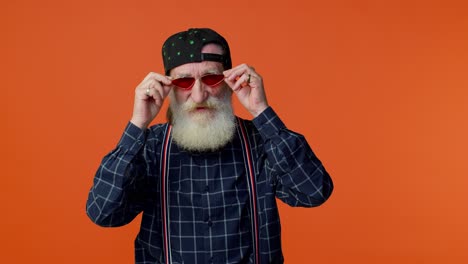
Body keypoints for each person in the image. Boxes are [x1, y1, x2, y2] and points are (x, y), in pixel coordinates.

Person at [86, 28, 333, 264]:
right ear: (168, 86)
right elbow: (103, 212)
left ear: (230, 80)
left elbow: (313, 192)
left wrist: (261, 111)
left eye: (211, 78)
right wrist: (137, 124)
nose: (199, 94)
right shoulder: (150, 146)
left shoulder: (261, 140)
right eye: (184, 82)